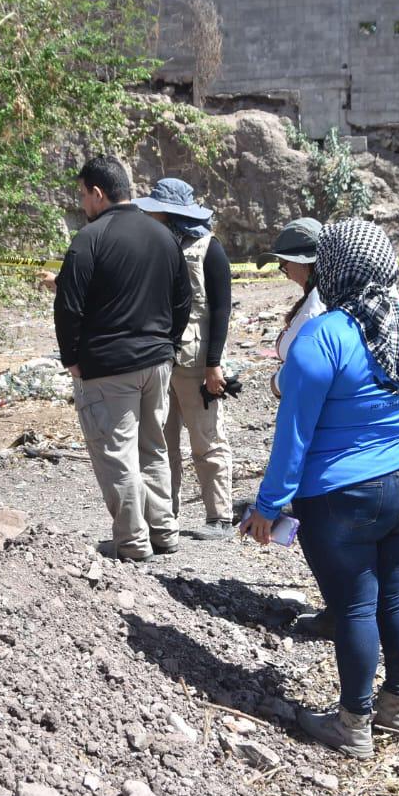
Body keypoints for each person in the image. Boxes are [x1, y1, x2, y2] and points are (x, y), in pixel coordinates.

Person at [243, 219, 399, 759]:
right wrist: (397, 461)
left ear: (333, 269)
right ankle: (398, 707)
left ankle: (353, 724)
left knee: (356, 604)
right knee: (397, 592)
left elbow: (295, 436)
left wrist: (269, 506)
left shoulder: (322, 338)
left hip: (343, 496)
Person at [54, 156, 193, 562]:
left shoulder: (88, 239)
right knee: (153, 447)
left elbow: (68, 306)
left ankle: (132, 542)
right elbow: (182, 299)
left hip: (108, 369)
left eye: (83, 195)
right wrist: (167, 342)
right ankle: (164, 531)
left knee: (117, 452)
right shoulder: (163, 236)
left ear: (98, 193)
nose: (82, 204)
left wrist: (71, 358)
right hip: (156, 363)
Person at [133, 178, 235, 540]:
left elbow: (221, 310)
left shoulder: (209, 248)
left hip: (195, 364)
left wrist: (214, 364)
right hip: (160, 359)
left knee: (207, 439)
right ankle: (164, 516)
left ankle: (219, 517)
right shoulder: (155, 245)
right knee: (162, 442)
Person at [255, 217, 324, 399]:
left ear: (303, 263)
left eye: (284, 267)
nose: (286, 276)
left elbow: (306, 366)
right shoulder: (318, 298)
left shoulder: (314, 309)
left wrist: (277, 382)